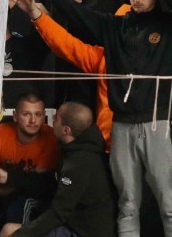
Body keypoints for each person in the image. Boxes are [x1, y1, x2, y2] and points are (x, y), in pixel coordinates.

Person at [24, 0, 172, 236]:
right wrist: (39, 8)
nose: (136, 0)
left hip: (155, 125)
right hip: (115, 138)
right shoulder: (109, 48)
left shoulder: (165, 43)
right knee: (128, 206)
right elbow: (68, 41)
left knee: (167, 204)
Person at [10, 101, 117, 237]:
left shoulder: (78, 163)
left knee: (11, 231)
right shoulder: (78, 149)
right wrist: (9, 178)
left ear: (66, 130)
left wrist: (19, 235)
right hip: (74, 222)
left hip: (83, 231)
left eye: (56, 118)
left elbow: (58, 213)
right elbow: (49, 184)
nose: (52, 120)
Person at [0, 92, 60, 233]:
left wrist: (5, 182)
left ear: (44, 116)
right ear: (15, 116)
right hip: (3, 194)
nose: (33, 121)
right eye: (26, 114)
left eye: (38, 114)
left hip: (35, 196)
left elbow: (37, 183)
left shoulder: (51, 137)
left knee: (18, 207)